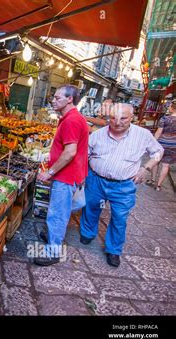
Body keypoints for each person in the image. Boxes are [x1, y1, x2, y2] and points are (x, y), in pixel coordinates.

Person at [80, 103, 164, 267]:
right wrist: (83, 175)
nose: (117, 122)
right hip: (97, 180)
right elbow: (85, 154)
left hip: (124, 186)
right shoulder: (97, 135)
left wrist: (146, 169)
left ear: (132, 118)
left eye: (123, 118)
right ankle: (87, 233)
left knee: (119, 218)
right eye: (113, 118)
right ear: (108, 117)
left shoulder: (143, 135)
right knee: (92, 207)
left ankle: (113, 250)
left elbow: (158, 151)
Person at [33, 85, 89, 266]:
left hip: (66, 177)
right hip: (71, 175)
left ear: (69, 99)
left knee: (57, 213)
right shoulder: (71, 118)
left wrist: (49, 172)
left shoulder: (72, 120)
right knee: (62, 209)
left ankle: (53, 252)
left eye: (57, 98)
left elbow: (70, 152)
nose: (53, 100)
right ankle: (52, 233)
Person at [147, 99, 176, 191]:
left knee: (155, 161)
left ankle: (152, 180)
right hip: (173, 145)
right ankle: (158, 186)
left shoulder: (164, 118)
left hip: (161, 143)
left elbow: (158, 132)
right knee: (166, 165)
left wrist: (153, 142)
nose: (169, 108)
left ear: (172, 108)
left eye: (170, 106)